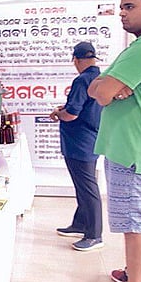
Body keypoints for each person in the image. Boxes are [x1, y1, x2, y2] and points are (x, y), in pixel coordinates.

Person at [87, 0, 141, 282]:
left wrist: (105, 86)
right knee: (134, 221)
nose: (122, 13)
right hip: (139, 148)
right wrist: (106, 86)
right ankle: (132, 272)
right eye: (121, 7)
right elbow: (100, 85)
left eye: (130, 7)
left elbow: (100, 91)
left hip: (132, 152)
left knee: (133, 224)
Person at [50, 41, 103, 251]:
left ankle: (94, 235)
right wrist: (66, 108)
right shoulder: (100, 79)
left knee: (88, 188)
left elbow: (71, 114)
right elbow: (84, 107)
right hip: (91, 139)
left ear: (76, 60)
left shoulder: (82, 80)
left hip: (79, 143)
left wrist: (57, 114)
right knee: (83, 185)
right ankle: (80, 223)